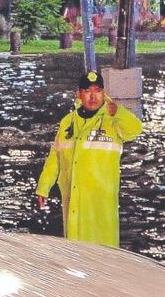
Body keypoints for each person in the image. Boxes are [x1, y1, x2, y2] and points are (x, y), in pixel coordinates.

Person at [35, 71, 143, 247]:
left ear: (104, 93)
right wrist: (43, 187)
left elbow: (135, 129)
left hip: (101, 203)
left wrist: (119, 112)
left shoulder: (113, 121)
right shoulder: (67, 122)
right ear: (79, 94)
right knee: (75, 249)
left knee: (105, 252)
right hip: (73, 200)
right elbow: (55, 157)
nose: (93, 96)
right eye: (87, 91)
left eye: (98, 90)